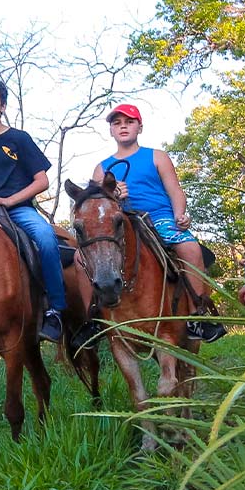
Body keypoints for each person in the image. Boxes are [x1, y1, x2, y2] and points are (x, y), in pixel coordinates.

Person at [93, 102, 225, 342]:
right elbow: (97, 205)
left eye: (129, 122)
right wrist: (113, 194)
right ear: (111, 130)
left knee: (190, 247)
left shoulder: (156, 156)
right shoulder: (101, 169)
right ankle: (92, 317)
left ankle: (197, 316)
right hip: (121, 221)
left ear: (140, 127)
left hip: (159, 218)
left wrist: (180, 214)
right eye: (117, 123)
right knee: (82, 257)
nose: (123, 126)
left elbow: (175, 190)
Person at [0, 76, 66, 342]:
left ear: (3, 105)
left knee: (46, 237)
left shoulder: (19, 139)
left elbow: (42, 181)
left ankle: (56, 310)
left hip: (19, 210)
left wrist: (8, 200)